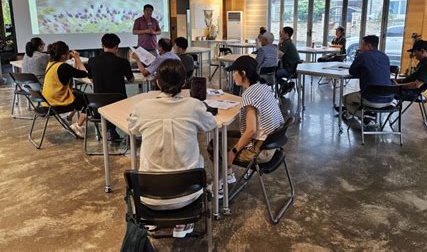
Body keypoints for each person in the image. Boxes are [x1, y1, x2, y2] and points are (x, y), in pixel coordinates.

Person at [127, 59, 217, 238]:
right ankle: (183, 221)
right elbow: (210, 124)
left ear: (157, 82)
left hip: (148, 198)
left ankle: (153, 222)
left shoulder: (143, 107)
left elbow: (132, 129)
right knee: (198, 160)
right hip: (189, 194)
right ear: (184, 82)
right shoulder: (194, 106)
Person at [210, 56, 284, 196]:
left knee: (215, 144)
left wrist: (233, 151)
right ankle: (229, 173)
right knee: (222, 137)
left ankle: (220, 185)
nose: (233, 75)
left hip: (261, 150)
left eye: (235, 72)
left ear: (243, 73)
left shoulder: (249, 96)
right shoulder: (263, 87)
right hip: (273, 143)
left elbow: (250, 131)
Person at [87, 34, 134, 140]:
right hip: (119, 104)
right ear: (117, 47)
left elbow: (91, 79)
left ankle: (109, 130)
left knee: (106, 101)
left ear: (102, 45)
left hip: (98, 105)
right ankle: (120, 133)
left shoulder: (92, 61)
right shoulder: (123, 62)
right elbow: (131, 79)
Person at [42, 41, 88, 138]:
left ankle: (69, 117)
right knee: (86, 100)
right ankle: (78, 125)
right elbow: (84, 73)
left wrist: (74, 60)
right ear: (63, 55)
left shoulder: (51, 64)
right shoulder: (63, 66)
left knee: (78, 94)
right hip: (57, 103)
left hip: (47, 101)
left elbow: (73, 72)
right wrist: (77, 58)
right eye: (68, 53)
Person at [342, 35, 393, 120]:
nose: (360, 47)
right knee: (359, 95)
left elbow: (352, 71)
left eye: (362, 45)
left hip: (371, 98)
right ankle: (366, 113)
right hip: (389, 98)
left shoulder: (363, 56)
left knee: (345, 99)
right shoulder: (385, 56)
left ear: (369, 46)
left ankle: (364, 116)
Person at [276, 26, 300, 95]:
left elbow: (279, 55)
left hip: (290, 70)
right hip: (293, 68)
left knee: (273, 74)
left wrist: (278, 43)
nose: (280, 33)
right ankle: (285, 85)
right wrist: (280, 43)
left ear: (287, 34)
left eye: (282, 32)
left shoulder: (286, 43)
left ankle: (285, 85)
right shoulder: (288, 42)